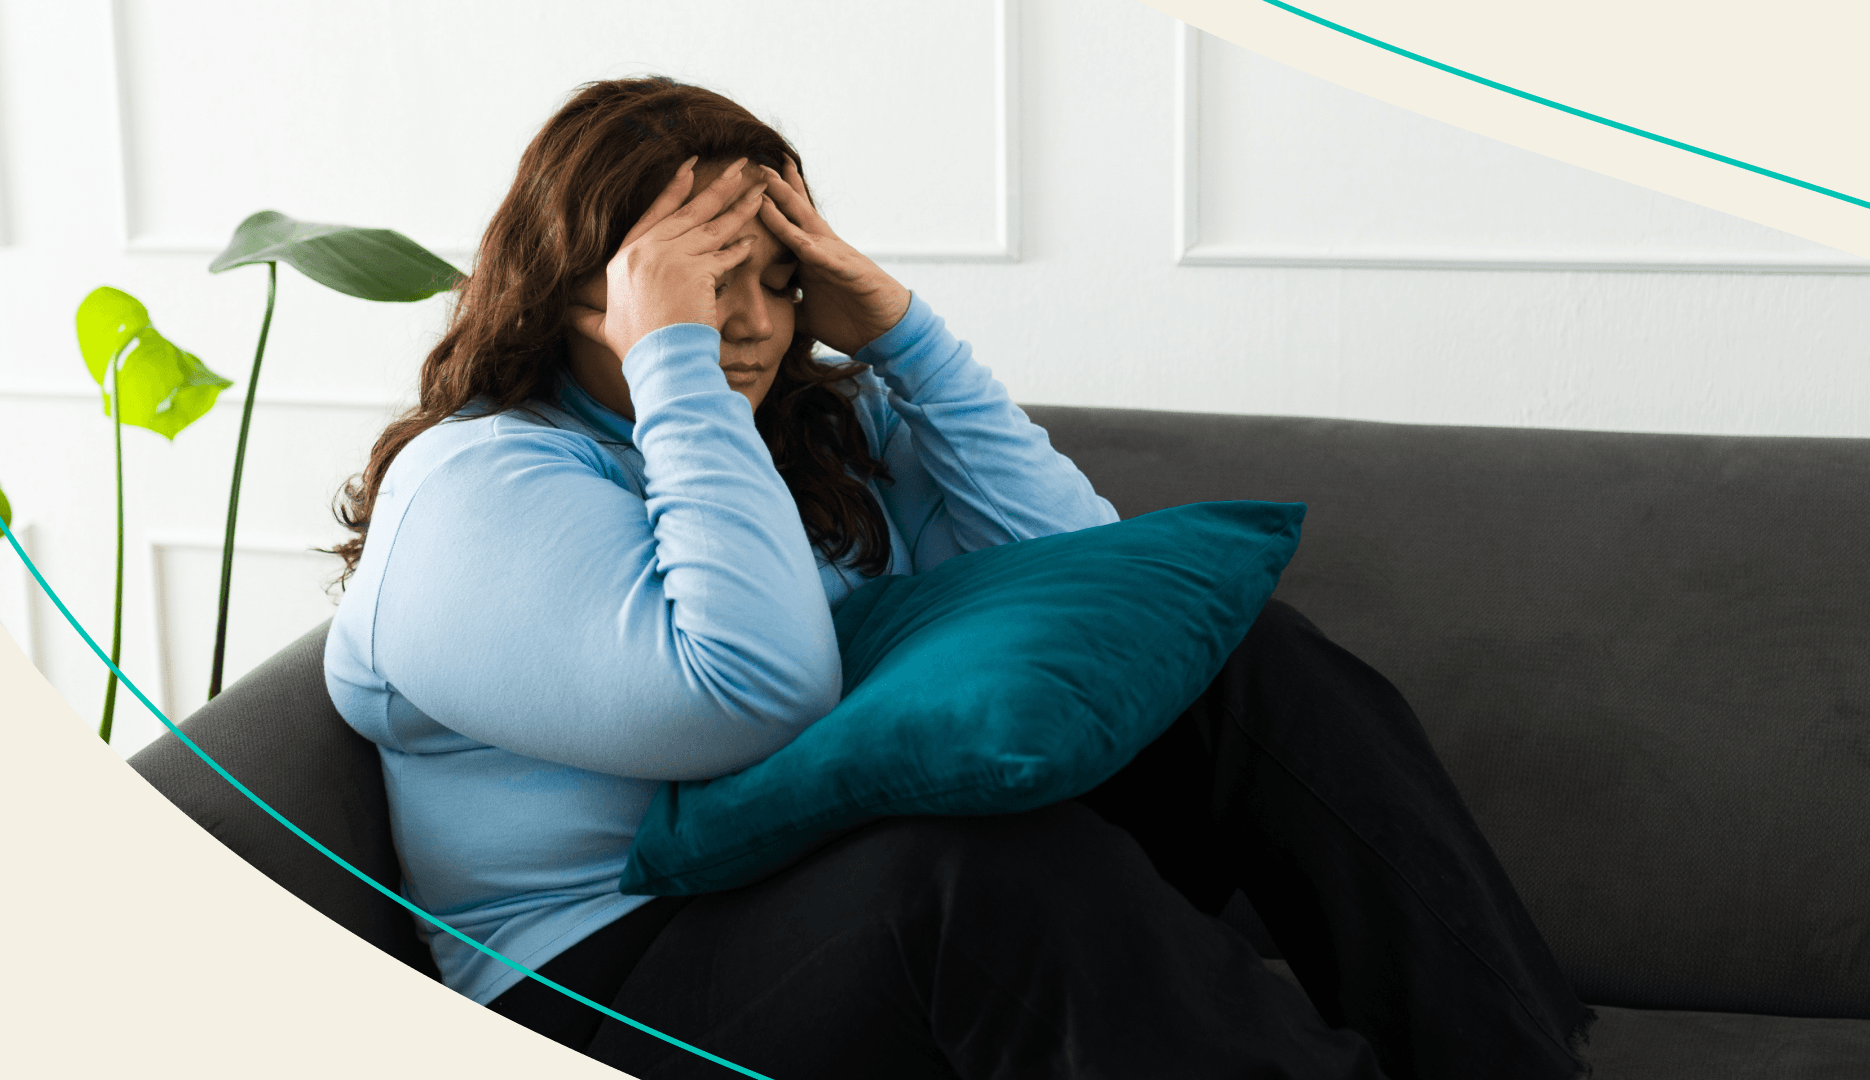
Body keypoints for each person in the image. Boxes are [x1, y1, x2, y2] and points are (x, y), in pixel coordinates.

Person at [323, 76, 1596, 1079]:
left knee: (1245, 673)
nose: (758, 322)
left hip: (825, 882)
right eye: (707, 280)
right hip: (607, 987)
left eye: (780, 276)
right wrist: (675, 369)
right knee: (965, 880)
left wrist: (904, 340)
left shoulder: (808, 434)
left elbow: (1094, 595)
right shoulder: (472, 490)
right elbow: (746, 697)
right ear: (584, 286)